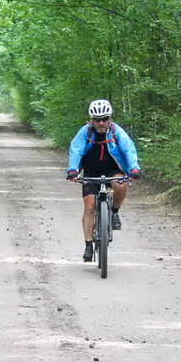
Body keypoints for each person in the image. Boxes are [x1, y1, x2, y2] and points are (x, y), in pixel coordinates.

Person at [66, 99, 141, 262]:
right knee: (89, 206)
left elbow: (128, 149)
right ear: (91, 120)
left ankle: (114, 212)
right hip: (91, 171)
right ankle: (88, 245)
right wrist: (73, 170)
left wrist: (133, 168)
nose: (101, 123)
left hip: (112, 169)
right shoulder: (85, 133)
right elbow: (76, 150)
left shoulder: (116, 131)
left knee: (120, 185)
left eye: (104, 119)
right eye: (97, 119)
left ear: (110, 118)